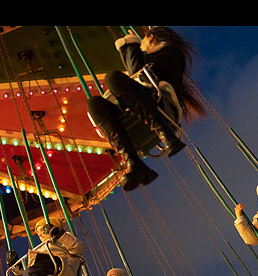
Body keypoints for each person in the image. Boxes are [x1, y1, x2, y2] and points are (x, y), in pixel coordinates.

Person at [87, 26, 205, 191]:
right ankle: (133, 161)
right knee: (94, 103)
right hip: (143, 107)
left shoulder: (171, 54)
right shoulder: (151, 59)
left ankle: (163, 131)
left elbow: (140, 74)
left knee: (113, 78)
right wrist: (131, 45)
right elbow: (139, 74)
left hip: (162, 105)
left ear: (151, 38)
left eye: (142, 42)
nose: (141, 46)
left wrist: (130, 45)